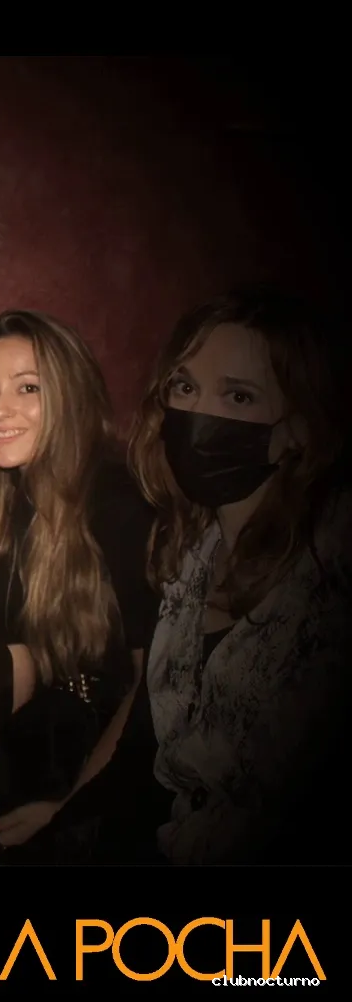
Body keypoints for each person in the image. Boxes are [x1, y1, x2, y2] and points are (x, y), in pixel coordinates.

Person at [127, 285, 350, 864]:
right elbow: (148, 746)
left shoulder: (330, 573)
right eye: (185, 387)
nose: (201, 416)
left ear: (298, 429)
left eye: (239, 396)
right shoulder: (190, 553)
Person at [0, 310, 160, 863]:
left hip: (115, 775)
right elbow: (9, 663)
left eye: (28, 388)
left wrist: (72, 808)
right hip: (32, 757)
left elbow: (152, 688)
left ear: (69, 397)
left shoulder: (120, 505)